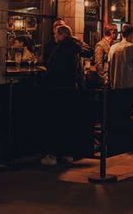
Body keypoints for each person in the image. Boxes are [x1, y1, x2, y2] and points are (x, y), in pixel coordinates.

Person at [41, 25, 92, 166]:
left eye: (56, 34)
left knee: (55, 122)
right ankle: (67, 152)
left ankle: (53, 154)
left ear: (62, 35)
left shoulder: (62, 48)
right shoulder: (74, 47)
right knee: (67, 122)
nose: (54, 37)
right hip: (71, 89)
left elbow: (54, 67)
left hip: (59, 90)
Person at [108, 23, 133, 89]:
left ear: (122, 34)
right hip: (128, 83)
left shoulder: (113, 47)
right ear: (131, 34)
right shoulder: (132, 47)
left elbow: (109, 64)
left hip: (115, 83)